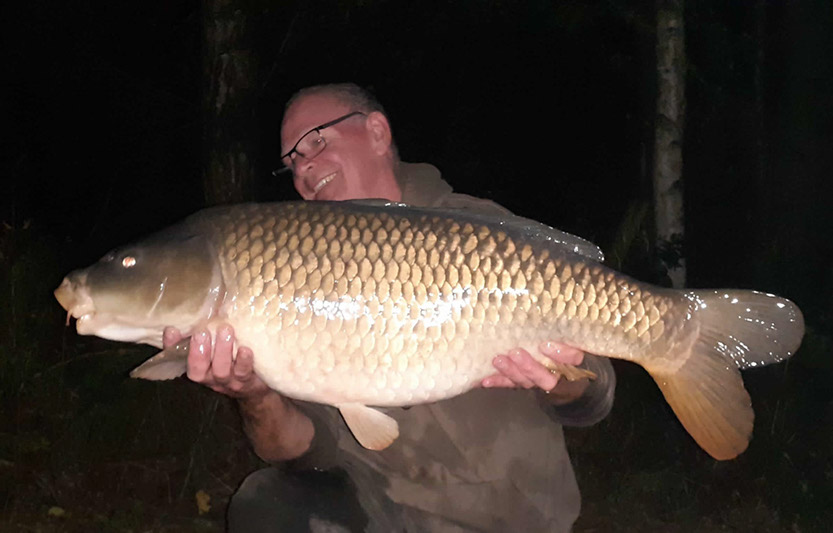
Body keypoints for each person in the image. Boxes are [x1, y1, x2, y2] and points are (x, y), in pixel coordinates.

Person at [163, 83, 616, 532]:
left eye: (316, 142)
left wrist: (562, 383)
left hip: (514, 517)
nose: (304, 169)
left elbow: (596, 394)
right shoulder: (293, 271)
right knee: (268, 506)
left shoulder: (477, 230)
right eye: (292, 162)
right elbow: (303, 452)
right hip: (382, 514)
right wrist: (255, 394)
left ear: (378, 133)